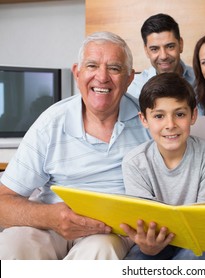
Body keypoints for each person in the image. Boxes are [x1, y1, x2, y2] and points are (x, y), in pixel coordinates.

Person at [0, 31, 151, 259]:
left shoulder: (150, 121)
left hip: (111, 231)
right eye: (92, 66)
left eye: (114, 68)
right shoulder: (50, 122)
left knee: (100, 249)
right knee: (13, 243)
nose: (102, 77)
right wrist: (50, 217)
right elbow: (3, 202)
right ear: (77, 73)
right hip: (51, 226)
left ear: (129, 78)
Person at [120, 72, 205, 260]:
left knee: (197, 256)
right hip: (154, 242)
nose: (170, 125)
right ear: (144, 120)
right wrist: (148, 246)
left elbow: (203, 221)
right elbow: (144, 221)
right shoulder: (135, 162)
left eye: (180, 114)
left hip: (196, 239)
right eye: (159, 116)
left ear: (193, 115)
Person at [127, 13, 195, 99]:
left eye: (170, 46)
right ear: (146, 50)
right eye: (154, 49)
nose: (163, 56)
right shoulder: (135, 89)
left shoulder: (200, 80)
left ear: (180, 44)